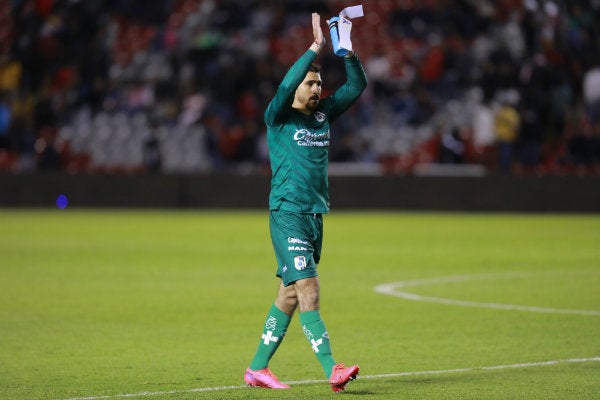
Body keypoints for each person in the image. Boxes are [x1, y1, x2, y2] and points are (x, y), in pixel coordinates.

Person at [243, 12, 367, 392]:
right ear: (296, 87)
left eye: (318, 83)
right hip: (287, 215)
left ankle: (257, 369)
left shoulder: (323, 116)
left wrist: (346, 53)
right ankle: (332, 369)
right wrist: (314, 47)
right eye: (310, 83)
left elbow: (356, 86)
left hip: (314, 217)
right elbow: (283, 88)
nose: (316, 89)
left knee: (289, 295)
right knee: (309, 288)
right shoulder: (278, 117)